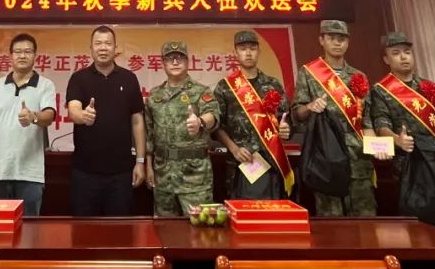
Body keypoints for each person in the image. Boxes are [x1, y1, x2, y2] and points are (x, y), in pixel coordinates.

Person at [369, 32, 435, 230]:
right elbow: (381, 124)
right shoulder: (381, 90)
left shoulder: (429, 86)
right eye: (396, 53)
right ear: (386, 59)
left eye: (407, 52)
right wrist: (396, 139)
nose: (403, 57)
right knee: (417, 219)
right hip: (409, 161)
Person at [292, 19, 377, 216]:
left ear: (348, 42)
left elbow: (367, 120)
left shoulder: (359, 76)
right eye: (331, 38)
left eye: (342, 38)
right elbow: (297, 113)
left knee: (365, 216)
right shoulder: (309, 73)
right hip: (326, 152)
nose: (337, 43)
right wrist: (310, 107)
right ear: (321, 40)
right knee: (331, 218)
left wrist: (377, 148)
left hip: (358, 156)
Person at [0, 33, 56, 217]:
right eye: (18, 51)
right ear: (10, 56)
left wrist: (33, 117)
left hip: (30, 175)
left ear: (35, 56)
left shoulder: (45, 85)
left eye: (27, 51)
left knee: (29, 230)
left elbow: (49, 116)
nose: (22, 55)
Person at [65, 25, 145, 215]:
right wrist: (83, 116)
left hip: (121, 173)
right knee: (83, 229)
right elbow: (73, 110)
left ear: (115, 48)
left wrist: (140, 161)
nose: (103, 48)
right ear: (91, 48)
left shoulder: (129, 78)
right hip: (85, 173)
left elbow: (137, 121)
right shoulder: (78, 78)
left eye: (108, 43)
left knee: (120, 229)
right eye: (98, 43)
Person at [213, 30, 292, 199]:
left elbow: (286, 118)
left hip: (271, 160)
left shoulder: (273, 84)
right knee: (242, 210)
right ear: (235, 53)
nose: (248, 53)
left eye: (252, 48)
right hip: (240, 162)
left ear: (259, 51)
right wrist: (234, 149)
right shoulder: (225, 87)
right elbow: (217, 126)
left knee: (272, 210)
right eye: (243, 49)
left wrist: (286, 128)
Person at [144, 41, 219, 216]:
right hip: (163, 175)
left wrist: (200, 122)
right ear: (163, 63)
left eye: (180, 58)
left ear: (188, 62)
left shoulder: (201, 91)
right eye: (170, 58)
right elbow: (149, 134)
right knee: (165, 229)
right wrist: (148, 166)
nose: (175, 62)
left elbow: (213, 116)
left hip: (194, 177)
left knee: (200, 227)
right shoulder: (154, 95)